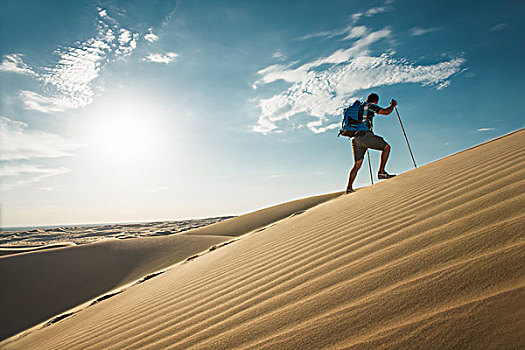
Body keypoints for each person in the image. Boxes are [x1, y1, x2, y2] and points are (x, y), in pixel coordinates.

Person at [346, 93, 397, 193]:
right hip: (365, 136)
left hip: (356, 139)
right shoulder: (369, 106)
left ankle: (349, 188)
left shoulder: (358, 108)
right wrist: (392, 105)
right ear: (376, 101)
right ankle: (381, 172)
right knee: (386, 148)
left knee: (357, 165)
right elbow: (386, 112)